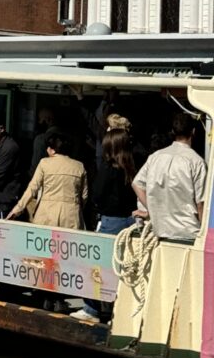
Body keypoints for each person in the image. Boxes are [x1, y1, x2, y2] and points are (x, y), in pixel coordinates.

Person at [71, 124, 136, 324]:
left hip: (110, 220)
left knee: (96, 266)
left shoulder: (109, 169)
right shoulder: (132, 167)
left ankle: (91, 309)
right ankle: (119, 312)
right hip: (130, 221)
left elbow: (97, 194)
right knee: (123, 268)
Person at [133, 112, 207, 243]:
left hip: (159, 229)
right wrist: (205, 234)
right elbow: (200, 204)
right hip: (188, 232)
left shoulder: (155, 157)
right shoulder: (197, 162)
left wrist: (151, 209)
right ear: (193, 132)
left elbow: (137, 184)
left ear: (173, 132)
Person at [8, 128, 87, 229]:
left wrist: (17, 210)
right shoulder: (79, 166)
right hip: (72, 217)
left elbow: (32, 188)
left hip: (46, 215)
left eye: (48, 148)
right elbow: (84, 196)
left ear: (52, 150)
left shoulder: (44, 163)